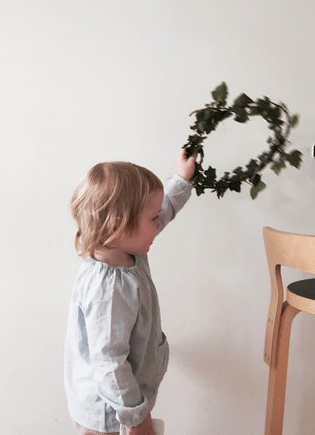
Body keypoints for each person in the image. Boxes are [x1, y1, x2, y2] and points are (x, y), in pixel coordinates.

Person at [64, 149, 196, 435]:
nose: (158, 223)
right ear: (117, 224)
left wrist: (182, 179)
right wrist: (136, 418)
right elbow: (109, 363)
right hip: (109, 414)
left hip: (121, 403)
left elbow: (162, 211)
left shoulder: (124, 248)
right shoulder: (108, 289)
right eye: (152, 220)